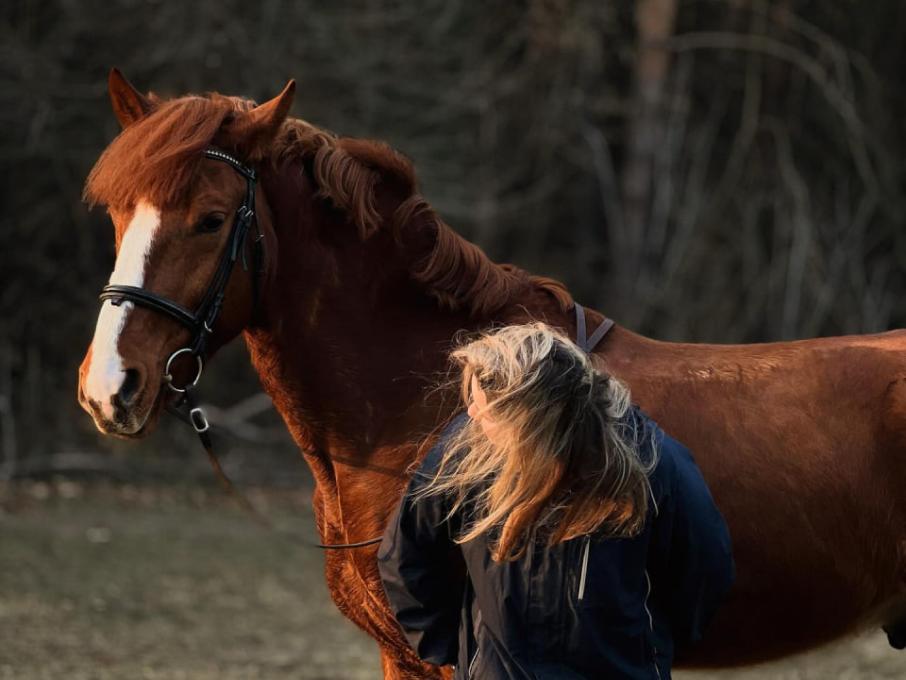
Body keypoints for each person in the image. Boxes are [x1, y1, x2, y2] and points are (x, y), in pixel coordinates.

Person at [378, 323, 734, 679]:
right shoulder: (465, 451)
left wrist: (651, 647)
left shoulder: (651, 460)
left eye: (481, 405)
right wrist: (456, 653)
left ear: (528, 418)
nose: (471, 414)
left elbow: (705, 565)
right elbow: (405, 556)